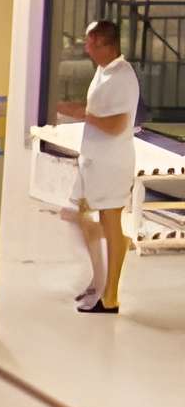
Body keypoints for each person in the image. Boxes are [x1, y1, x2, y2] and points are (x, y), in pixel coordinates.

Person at [54, 18, 142, 313]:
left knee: (109, 221)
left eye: (91, 44)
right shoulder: (103, 72)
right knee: (77, 215)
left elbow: (116, 125)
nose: (87, 49)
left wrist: (80, 113)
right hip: (93, 161)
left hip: (111, 164)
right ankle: (99, 280)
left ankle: (110, 296)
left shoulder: (123, 77)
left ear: (107, 44)